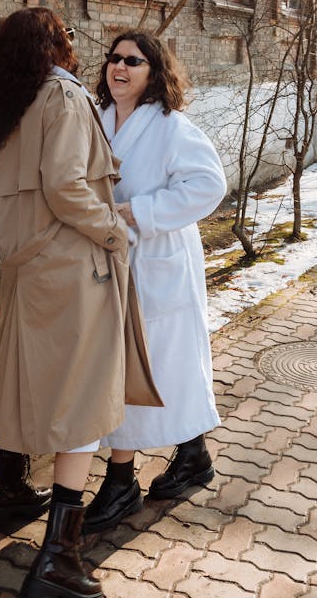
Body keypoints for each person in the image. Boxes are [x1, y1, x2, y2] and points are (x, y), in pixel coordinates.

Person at [0, 8, 160, 598]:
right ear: (55, 46)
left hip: (25, 267)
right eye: (68, 38)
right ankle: (59, 558)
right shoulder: (65, 96)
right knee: (82, 398)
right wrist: (112, 232)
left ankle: (8, 493)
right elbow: (67, 185)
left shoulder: (9, 101)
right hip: (72, 269)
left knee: (25, 377)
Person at [83, 30, 227, 535]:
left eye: (133, 61)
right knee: (156, 368)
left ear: (154, 72)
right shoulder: (97, 120)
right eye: (114, 59)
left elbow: (209, 185)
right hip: (112, 265)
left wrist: (141, 212)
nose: (119, 67)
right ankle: (193, 455)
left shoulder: (172, 127)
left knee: (154, 366)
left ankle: (121, 481)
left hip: (157, 261)